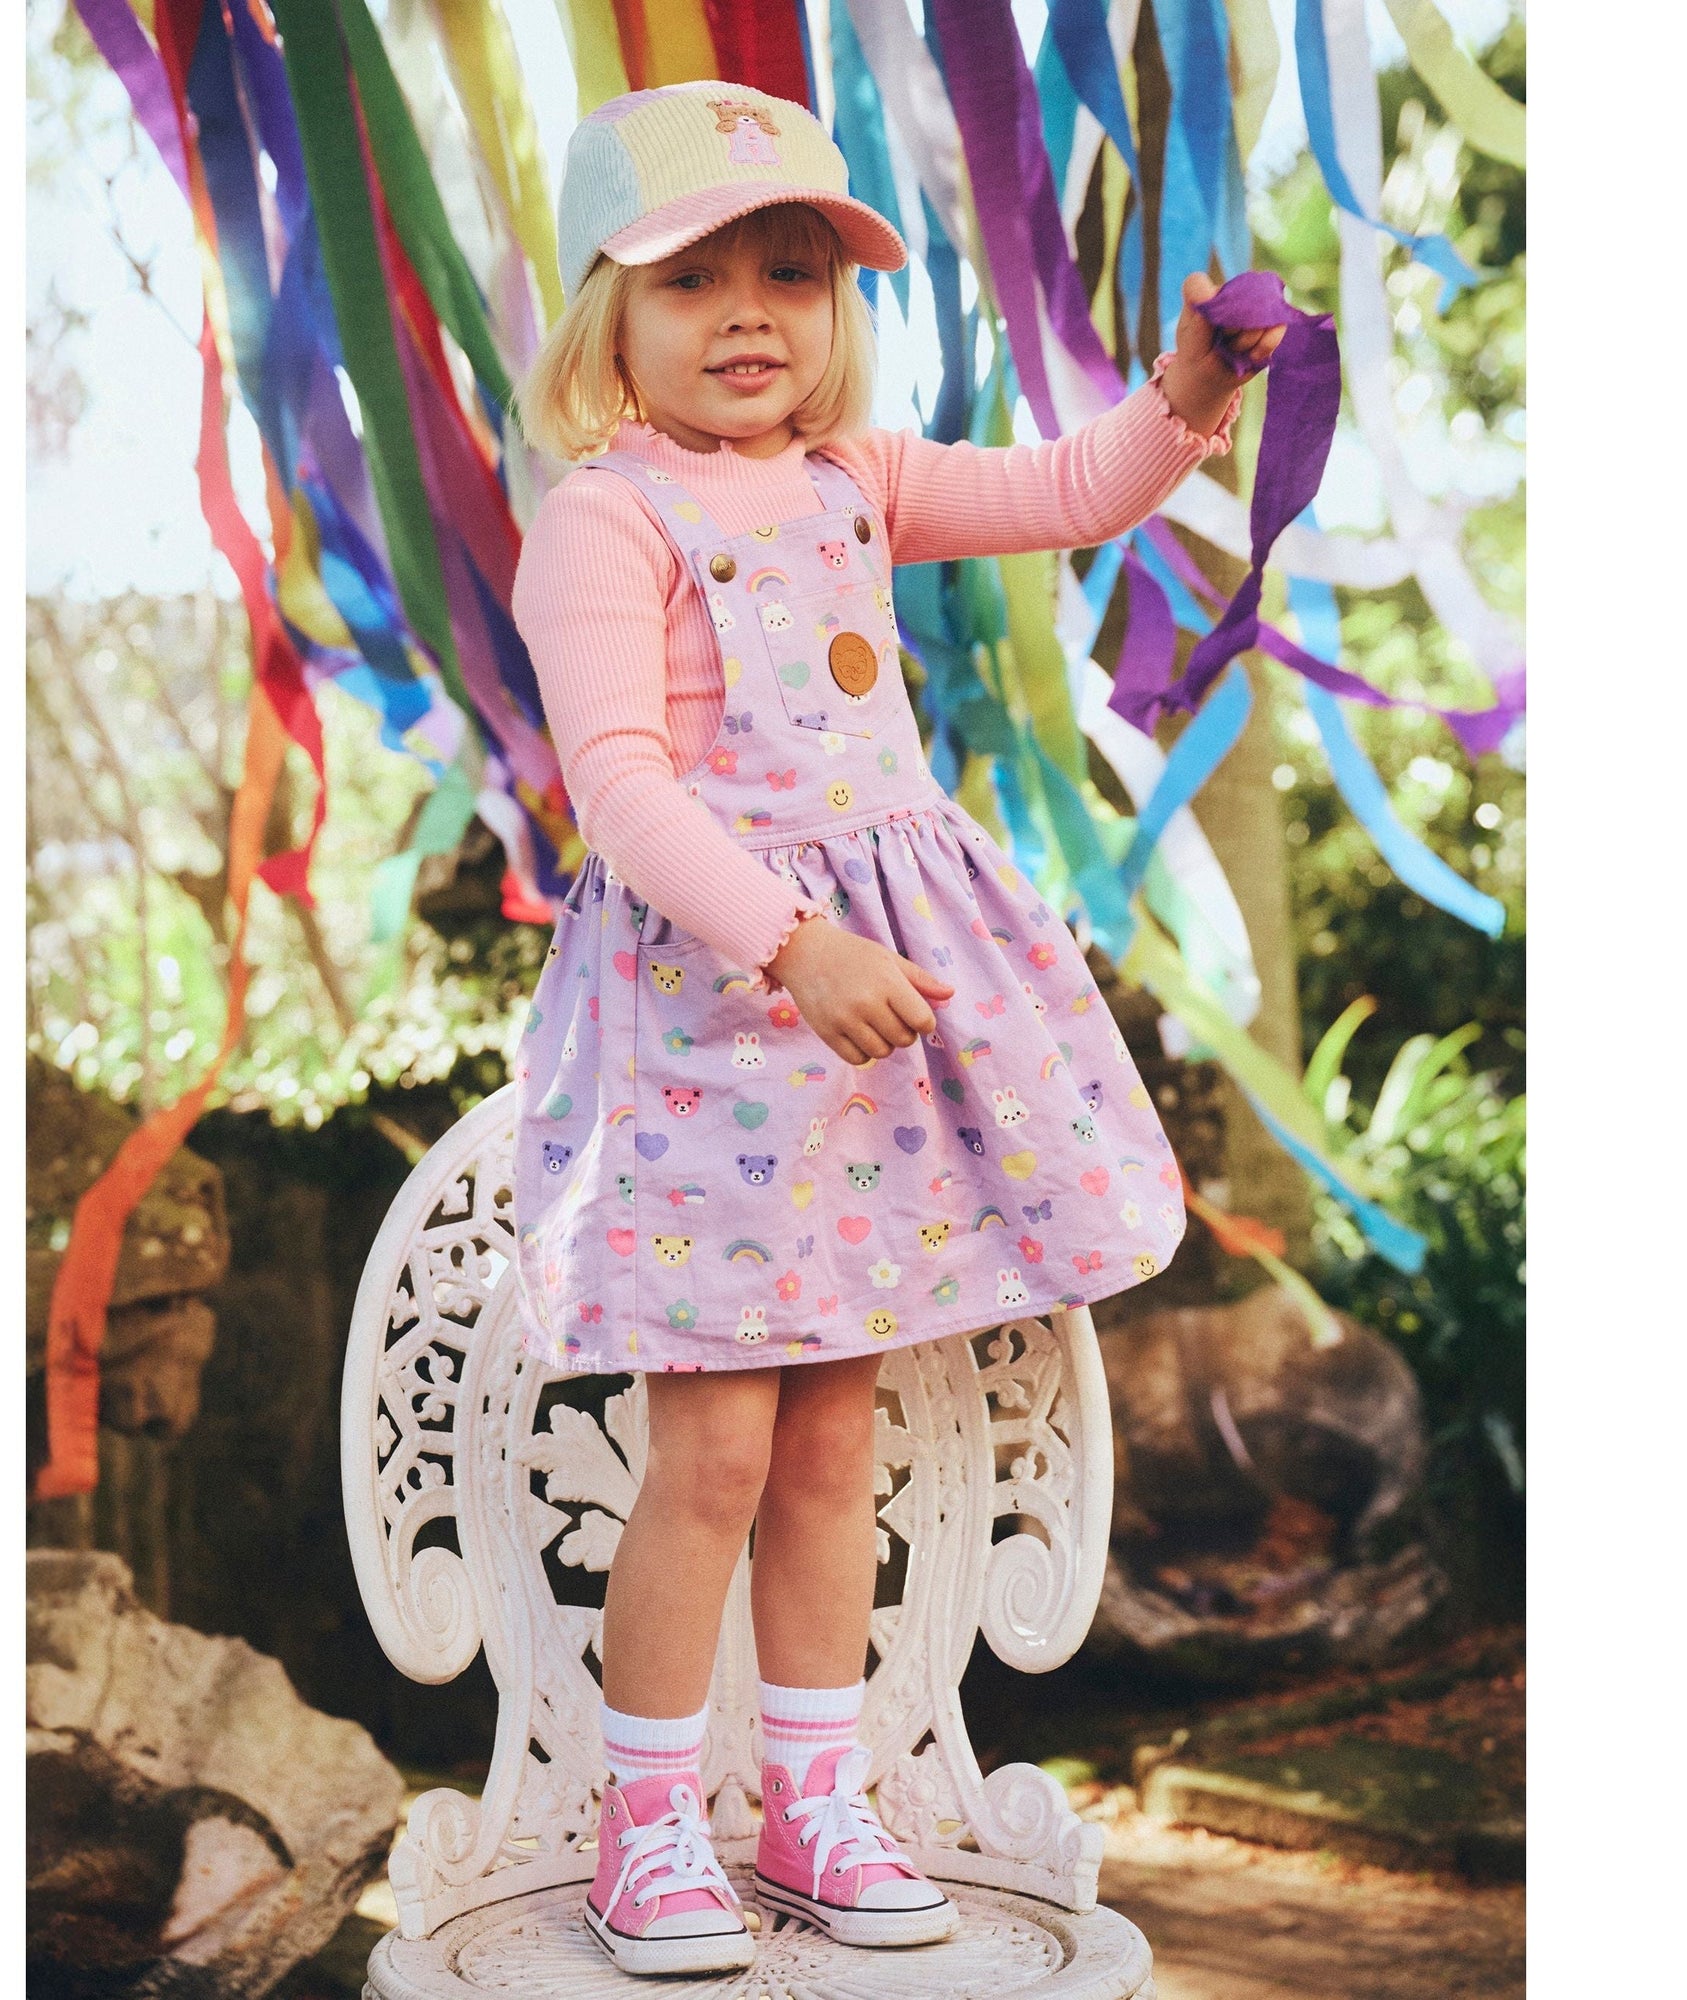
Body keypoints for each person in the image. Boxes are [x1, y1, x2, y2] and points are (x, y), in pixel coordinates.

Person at [506, 79, 1283, 1977]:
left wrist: (1187, 391)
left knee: (834, 1446)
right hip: (709, 1036)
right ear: (609, 313)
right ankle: (644, 1830)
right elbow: (623, 793)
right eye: (694, 278)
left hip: (859, 1047)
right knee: (712, 1454)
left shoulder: (860, 476)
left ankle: (816, 1802)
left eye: (793, 271)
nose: (751, 313)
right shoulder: (604, 521)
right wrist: (796, 943)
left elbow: (1071, 489)